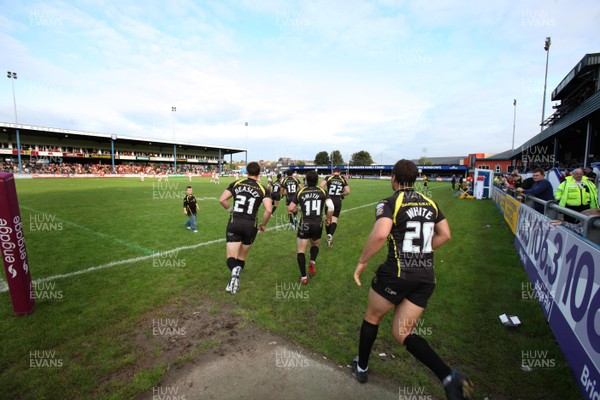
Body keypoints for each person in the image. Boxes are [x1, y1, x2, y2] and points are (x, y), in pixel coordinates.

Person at [351, 159, 474, 400]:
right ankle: (449, 377)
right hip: (425, 276)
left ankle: (362, 367)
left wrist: (362, 261)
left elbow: (380, 234)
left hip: (397, 273)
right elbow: (446, 234)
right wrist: (422, 251)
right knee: (402, 333)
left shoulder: (389, 202)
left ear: (394, 178)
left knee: (372, 317)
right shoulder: (430, 202)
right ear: (416, 179)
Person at [219, 162, 272, 294]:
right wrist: (264, 224)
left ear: (247, 171)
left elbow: (222, 200)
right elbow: (269, 210)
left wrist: (231, 210)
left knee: (231, 256)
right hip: (250, 225)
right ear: (259, 173)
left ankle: (234, 272)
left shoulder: (236, 183)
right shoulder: (263, 189)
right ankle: (234, 278)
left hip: (235, 222)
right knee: (241, 257)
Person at [288, 171, 334, 283]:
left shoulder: (301, 191)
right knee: (315, 244)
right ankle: (312, 261)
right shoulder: (323, 191)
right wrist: (328, 219)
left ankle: (304, 277)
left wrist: (299, 209)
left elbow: (290, 208)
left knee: (301, 250)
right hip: (318, 223)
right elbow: (331, 206)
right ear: (317, 180)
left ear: (306, 180)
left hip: (305, 223)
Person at [320, 167, 350, 248]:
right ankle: (330, 235)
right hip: (337, 201)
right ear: (340, 172)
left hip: (329, 200)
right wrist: (341, 194)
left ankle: (328, 235)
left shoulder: (328, 177)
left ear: (333, 172)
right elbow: (348, 191)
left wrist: (326, 194)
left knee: (328, 218)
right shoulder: (342, 179)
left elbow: (321, 185)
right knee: (335, 219)